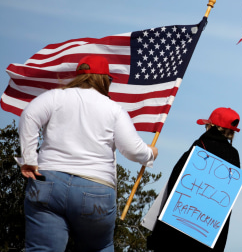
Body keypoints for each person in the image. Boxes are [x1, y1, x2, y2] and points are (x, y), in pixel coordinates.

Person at [18, 55, 158, 252]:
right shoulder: (114, 109)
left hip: (48, 181)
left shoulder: (56, 96)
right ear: (104, 80)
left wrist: (30, 159)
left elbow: (29, 115)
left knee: (42, 248)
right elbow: (133, 149)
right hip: (96, 188)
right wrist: (150, 153)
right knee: (100, 247)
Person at [147, 107, 241, 252]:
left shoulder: (200, 146)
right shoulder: (234, 156)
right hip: (208, 237)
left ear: (211, 127)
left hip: (177, 233)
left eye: (206, 125)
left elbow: (175, 181)